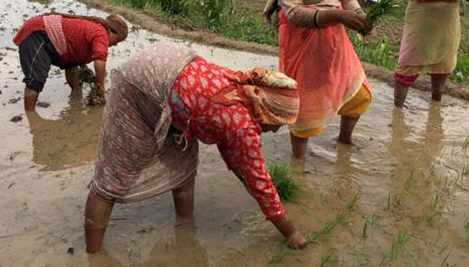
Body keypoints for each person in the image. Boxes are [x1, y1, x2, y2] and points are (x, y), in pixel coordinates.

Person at [84, 42, 306, 253]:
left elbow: (237, 160)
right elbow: (258, 180)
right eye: (278, 123)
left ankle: (184, 227)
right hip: (140, 82)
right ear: (267, 109)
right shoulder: (241, 125)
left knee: (184, 160)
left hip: (172, 63)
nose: (276, 131)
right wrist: (290, 231)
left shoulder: (244, 87)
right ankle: (93, 255)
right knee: (114, 173)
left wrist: (245, 173)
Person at [265, 0, 372, 159]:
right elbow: (293, 13)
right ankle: (298, 163)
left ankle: (344, 140)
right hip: (303, 41)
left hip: (335, 40)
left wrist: (358, 15)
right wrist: (338, 15)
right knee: (306, 103)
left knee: (359, 94)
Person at [13, 12, 128, 111]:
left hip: (58, 43)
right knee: (36, 78)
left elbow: (77, 49)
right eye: (117, 40)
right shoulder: (101, 33)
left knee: (72, 65)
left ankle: (76, 99)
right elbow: (100, 60)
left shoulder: (96, 30)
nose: (115, 44)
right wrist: (99, 84)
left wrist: (84, 68)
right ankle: (31, 115)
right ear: (111, 31)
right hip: (39, 34)